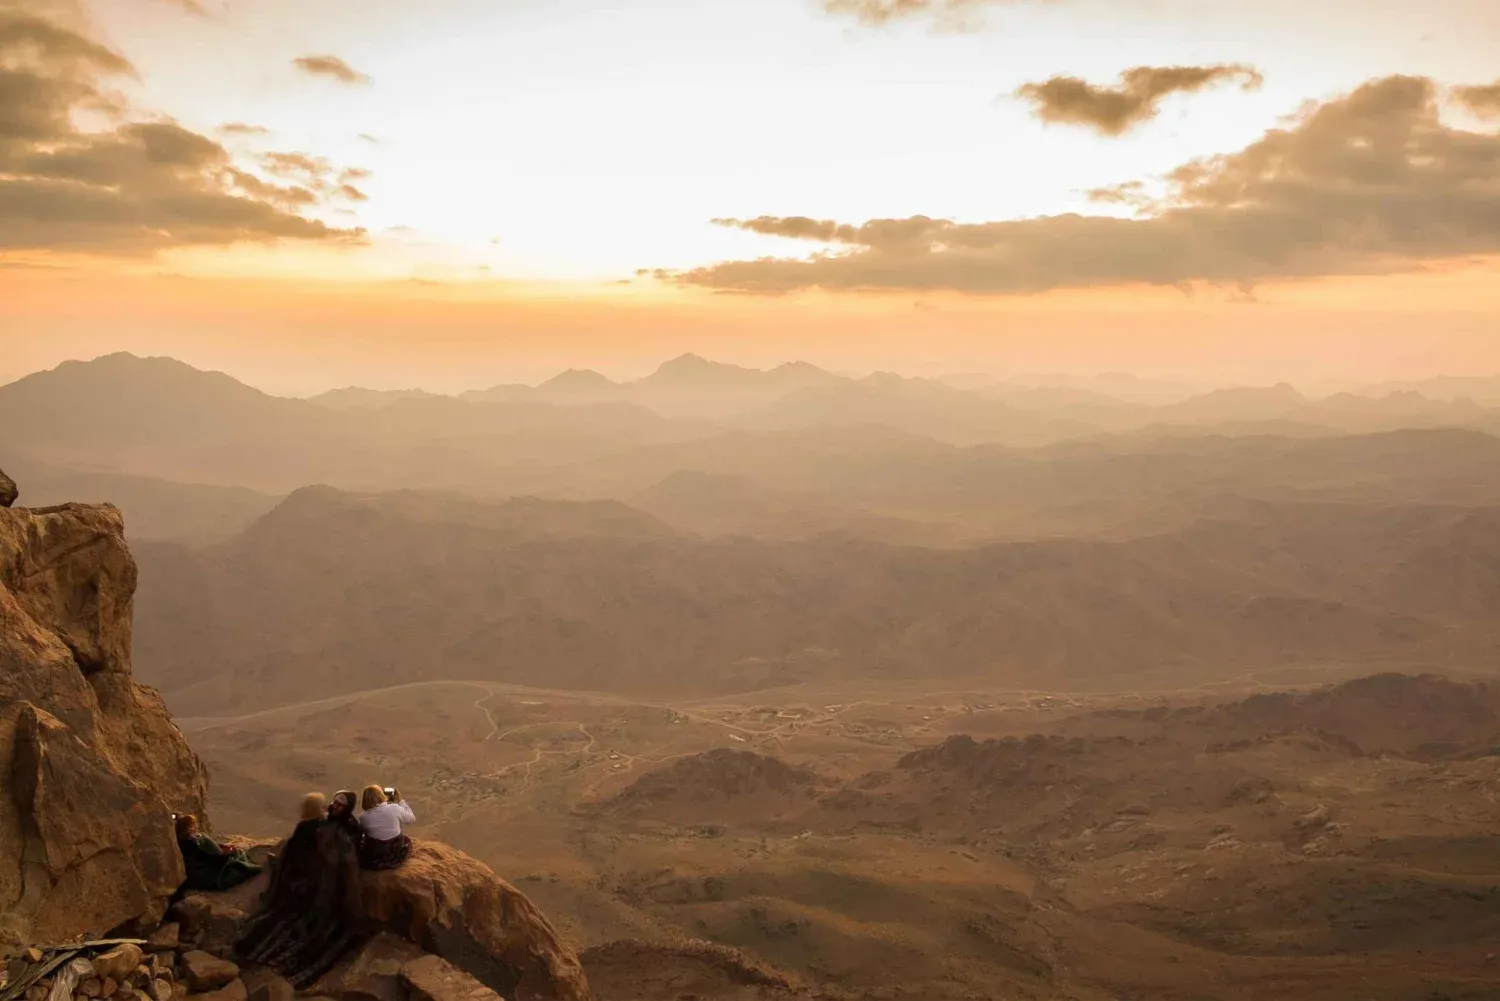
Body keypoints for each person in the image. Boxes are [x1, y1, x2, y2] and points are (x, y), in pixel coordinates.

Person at [234, 790, 365, 988]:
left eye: (341, 805)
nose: (335, 807)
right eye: (335, 802)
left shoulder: (350, 827)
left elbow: (348, 857)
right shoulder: (321, 823)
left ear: (347, 808)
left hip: (328, 880)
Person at [175, 813, 262, 892]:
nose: (196, 826)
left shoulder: (180, 841)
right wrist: (231, 850)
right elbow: (219, 853)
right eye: (193, 825)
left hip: (194, 870)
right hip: (210, 866)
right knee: (238, 853)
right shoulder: (201, 838)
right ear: (189, 828)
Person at [357, 784, 415, 870]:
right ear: (381, 795)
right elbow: (411, 819)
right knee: (406, 840)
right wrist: (400, 801)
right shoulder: (394, 808)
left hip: (375, 856)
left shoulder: (363, 817)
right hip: (395, 853)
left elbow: (365, 834)